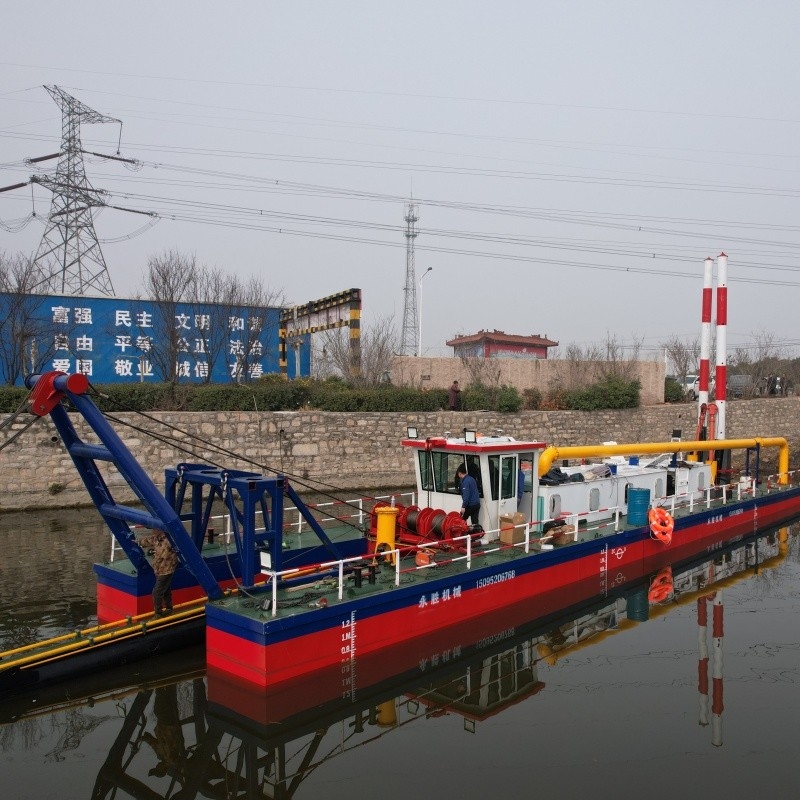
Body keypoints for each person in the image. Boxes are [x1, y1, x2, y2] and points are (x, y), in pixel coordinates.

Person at [138, 528, 179, 615]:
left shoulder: (170, 540)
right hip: (159, 569)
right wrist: (137, 541)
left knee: (156, 592)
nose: (153, 531)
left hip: (167, 570)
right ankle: (169, 608)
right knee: (166, 589)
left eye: (155, 530)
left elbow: (179, 549)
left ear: (160, 530)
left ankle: (158, 613)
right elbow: (147, 541)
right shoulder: (156, 538)